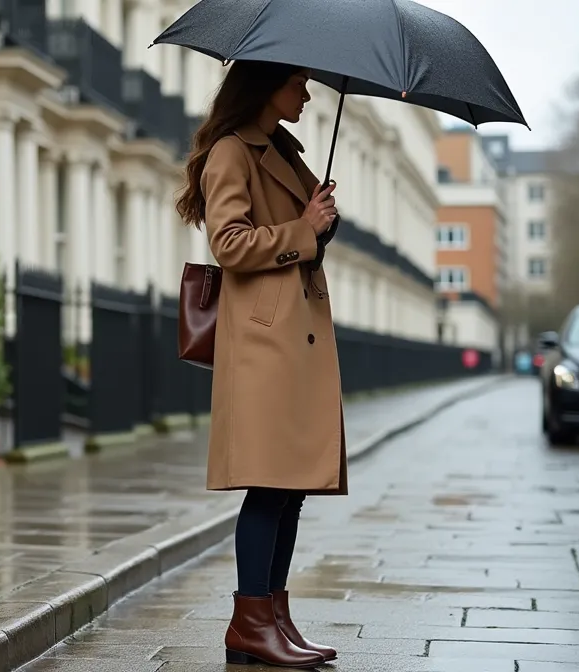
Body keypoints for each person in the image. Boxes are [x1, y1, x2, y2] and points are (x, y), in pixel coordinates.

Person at [175, 60, 347, 669]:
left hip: (292, 342)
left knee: (291, 488)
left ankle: (271, 617)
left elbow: (296, 236)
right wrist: (301, 229)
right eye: (297, 83)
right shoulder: (232, 151)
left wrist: (318, 224)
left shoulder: (284, 151)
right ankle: (250, 620)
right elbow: (229, 243)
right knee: (270, 485)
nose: (306, 93)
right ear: (266, 83)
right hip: (264, 343)